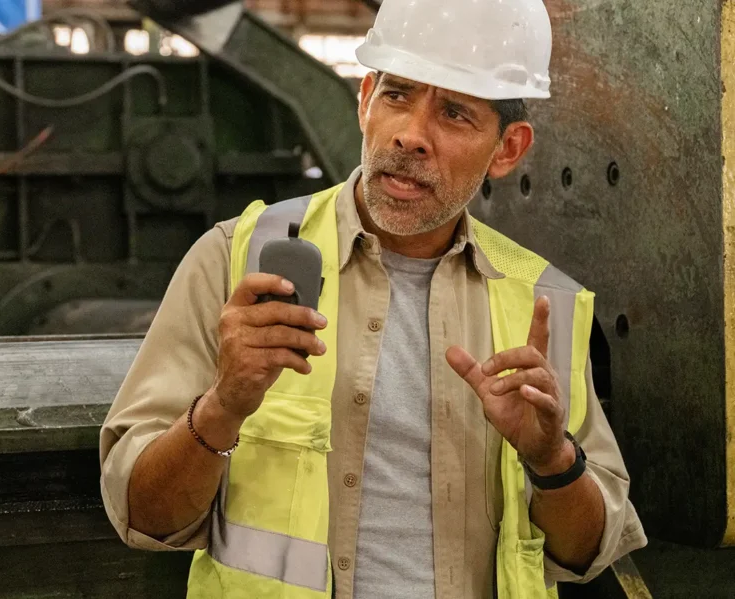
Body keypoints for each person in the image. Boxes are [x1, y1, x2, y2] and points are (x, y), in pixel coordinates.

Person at [99, 0, 647, 597]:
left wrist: (550, 460)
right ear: (365, 100)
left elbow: (589, 551)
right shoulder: (236, 261)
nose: (411, 134)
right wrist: (223, 405)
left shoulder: (545, 306)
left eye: (456, 113)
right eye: (398, 94)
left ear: (508, 148)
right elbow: (143, 515)